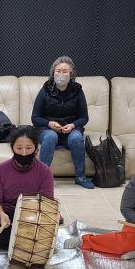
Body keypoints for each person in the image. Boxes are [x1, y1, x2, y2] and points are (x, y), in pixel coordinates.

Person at [0, 126, 55, 250]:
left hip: (33, 217)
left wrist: (28, 219)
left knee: (48, 225)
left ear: (36, 149)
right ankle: (27, 242)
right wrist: (2, 215)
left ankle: (11, 242)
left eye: (28, 148)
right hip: (8, 217)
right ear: (12, 148)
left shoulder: (45, 171)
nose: (23, 153)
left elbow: (47, 203)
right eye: (19, 148)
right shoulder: (0, 170)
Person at [32, 55, 94, 189]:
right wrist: (49, 124)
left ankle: (80, 176)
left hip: (70, 130)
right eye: (58, 71)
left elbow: (84, 118)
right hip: (48, 129)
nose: (61, 74)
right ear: (53, 73)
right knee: (50, 136)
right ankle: (41, 179)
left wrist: (72, 125)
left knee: (76, 138)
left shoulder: (78, 91)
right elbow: (35, 118)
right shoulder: (45, 90)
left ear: (71, 74)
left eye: (65, 71)